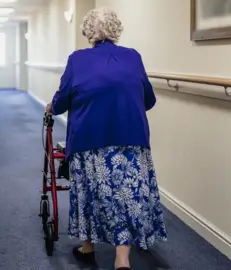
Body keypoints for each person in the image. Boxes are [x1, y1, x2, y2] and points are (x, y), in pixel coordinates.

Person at [45, 7, 167, 270]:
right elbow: (149, 99)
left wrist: (51, 107)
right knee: (128, 195)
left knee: (91, 190)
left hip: (90, 138)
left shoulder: (77, 59)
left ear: (88, 32)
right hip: (131, 136)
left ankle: (88, 245)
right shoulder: (133, 57)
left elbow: (63, 98)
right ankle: (122, 259)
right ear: (116, 29)